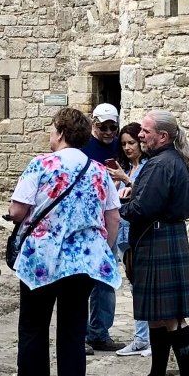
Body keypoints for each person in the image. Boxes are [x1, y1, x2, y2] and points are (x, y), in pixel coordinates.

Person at [2, 107, 122, 376]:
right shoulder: (98, 171)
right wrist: (102, 249)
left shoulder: (41, 164)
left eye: (54, 129)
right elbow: (113, 216)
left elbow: (17, 211)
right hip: (82, 262)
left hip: (41, 260)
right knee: (72, 334)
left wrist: (19, 216)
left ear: (61, 133)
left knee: (33, 330)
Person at [120, 108, 189, 376]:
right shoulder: (171, 161)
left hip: (158, 240)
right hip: (164, 237)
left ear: (162, 136)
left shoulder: (160, 165)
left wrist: (119, 207)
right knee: (157, 315)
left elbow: (143, 208)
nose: (140, 135)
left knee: (171, 317)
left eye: (145, 131)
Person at [82, 102, 126, 352]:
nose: (109, 132)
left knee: (107, 281)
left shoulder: (120, 144)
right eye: (103, 127)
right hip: (89, 220)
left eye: (113, 127)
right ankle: (78, 335)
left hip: (110, 218)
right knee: (82, 282)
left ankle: (99, 332)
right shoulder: (85, 147)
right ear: (93, 124)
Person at [110, 123, 154, 357]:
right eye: (124, 144)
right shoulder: (128, 167)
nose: (127, 148)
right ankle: (143, 337)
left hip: (139, 232)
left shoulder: (147, 167)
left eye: (131, 143)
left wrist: (126, 179)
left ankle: (143, 339)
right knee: (133, 284)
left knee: (141, 286)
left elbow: (146, 193)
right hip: (123, 232)